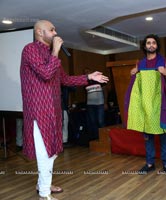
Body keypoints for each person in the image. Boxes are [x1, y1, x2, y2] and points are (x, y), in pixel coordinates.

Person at [20, 20, 109, 200]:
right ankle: (45, 194)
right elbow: (45, 74)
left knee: (51, 152)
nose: (55, 32)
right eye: (51, 30)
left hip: (53, 110)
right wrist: (55, 51)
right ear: (39, 32)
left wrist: (88, 77)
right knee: (44, 152)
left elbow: (65, 80)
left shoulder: (52, 56)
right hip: (38, 110)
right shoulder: (30, 49)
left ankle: (42, 184)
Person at [124, 34, 166, 175]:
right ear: (145, 46)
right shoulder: (140, 63)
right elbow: (137, 85)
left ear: (157, 45)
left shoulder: (164, 61)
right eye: (148, 43)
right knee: (148, 137)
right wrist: (133, 74)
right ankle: (149, 163)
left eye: (153, 43)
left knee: (164, 135)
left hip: (160, 105)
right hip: (145, 105)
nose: (151, 45)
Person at [85, 68, 108, 140]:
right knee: (93, 122)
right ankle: (97, 139)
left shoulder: (99, 80)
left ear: (91, 72)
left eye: (88, 71)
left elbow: (105, 91)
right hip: (90, 105)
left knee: (100, 121)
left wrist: (105, 103)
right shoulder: (85, 82)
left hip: (100, 104)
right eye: (85, 72)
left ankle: (104, 137)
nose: (86, 73)